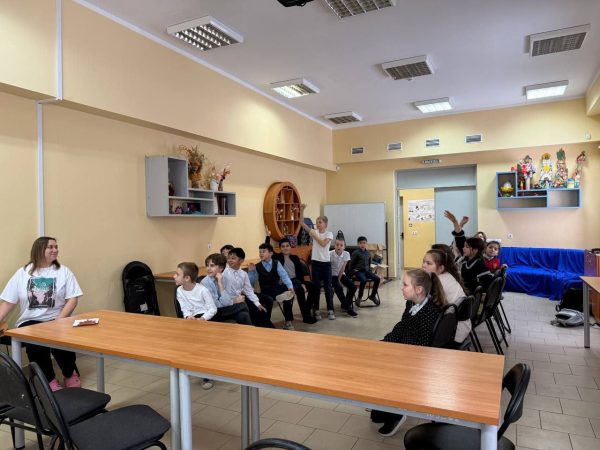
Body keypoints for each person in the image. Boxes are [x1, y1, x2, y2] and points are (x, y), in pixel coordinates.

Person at [0, 237, 82, 391]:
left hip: (57, 318)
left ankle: (70, 374)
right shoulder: (22, 273)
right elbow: (8, 302)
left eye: (56, 247)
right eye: (50, 247)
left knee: (61, 340)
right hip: (30, 320)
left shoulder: (64, 272)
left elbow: (73, 299)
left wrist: (59, 320)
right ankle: (49, 380)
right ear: (39, 249)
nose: (55, 250)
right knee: (35, 344)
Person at [371, 269, 446, 437]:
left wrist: (395, 354)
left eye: (405, 285)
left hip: (417, 358)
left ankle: (396, 413)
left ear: (418, 289)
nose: (401, 288)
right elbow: (402, 326)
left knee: (383, 367)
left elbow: (420, 347)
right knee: (376, 356)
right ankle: (382, 407)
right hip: (406, 349)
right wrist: (386, 341)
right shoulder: (412, 304)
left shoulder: (430, 312)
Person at [174, 261, 216, 390]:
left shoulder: (203, 290)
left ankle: (207, 376)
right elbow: (184, 308)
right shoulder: (179, 290)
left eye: (177, 274)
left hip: (204, 318)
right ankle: (186, 369)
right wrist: (188, 316)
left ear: (187, 278)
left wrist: (202, 319)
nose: (174, 276)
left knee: (202, 348)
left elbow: (212, 309)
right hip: (191, 320)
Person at [422, 249, 470, 343]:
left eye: (428, 263)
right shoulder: (447, 275)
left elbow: (427, 309)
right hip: (459, 328)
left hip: (451, 333)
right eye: (423, 262)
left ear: (441, 268)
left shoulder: (438, 283)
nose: (423, 265)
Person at [299, 204, 334, 320]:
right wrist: (302, 210)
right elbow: (302, 223)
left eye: (320, 222)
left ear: (325, 224)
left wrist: (314, 235)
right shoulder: (314, 232)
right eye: (317, 222)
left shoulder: (329, 234)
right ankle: (317, 310)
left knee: (328, 288)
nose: (318, 224)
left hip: (326, 264)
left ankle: (330, 310)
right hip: (316, 264)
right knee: (316, 288)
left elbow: (323, 243)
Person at [249, 243, 296, 330]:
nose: (261, 254)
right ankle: (267, 322)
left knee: (287, 296)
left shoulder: (276, 263)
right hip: (266, 291)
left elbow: (284, 276)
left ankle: (288, 322)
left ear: (271, 253)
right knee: (269, 298)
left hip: (276, 287)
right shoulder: (257, 266)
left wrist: (290, 286)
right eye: (260, 252)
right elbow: (251, 281)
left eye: (263, 251)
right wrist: (251, 272)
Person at [224, 247, 274, 328]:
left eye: (233, 258)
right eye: (228, 258)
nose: (229, 260)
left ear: (241, 261)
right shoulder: (224, 273)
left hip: (241, 300)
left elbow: (249, 290)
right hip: (230, 303)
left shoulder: (243, 274)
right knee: (255, 313)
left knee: (261, 310)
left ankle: (269, 331)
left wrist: (257, 303)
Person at [272, 237, 317, 324]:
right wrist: (268, 236)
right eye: (283, 246)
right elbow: (268, 248)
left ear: (290, 247)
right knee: (300, 291)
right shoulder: (277, 257)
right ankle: (305, 316)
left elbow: (300, 273)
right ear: (280, 248)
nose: (285, 248)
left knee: (313, 287)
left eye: (287, 246)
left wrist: (302, 283)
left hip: (296, 280)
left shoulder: (295, 258)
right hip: (285, 283)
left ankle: (306, 310)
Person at [200, 253, 252, 325]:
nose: (208, 268)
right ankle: (254, 329)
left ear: (221, 268)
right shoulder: (205, 283)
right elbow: (216, 305)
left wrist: (221, 284)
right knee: (243, 305)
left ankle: (250, 331)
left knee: (243, 315)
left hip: (225, 310)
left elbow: (227, 301)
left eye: (212, 266)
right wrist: (233, 301)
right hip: (212, 312)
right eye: (207, 265)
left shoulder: (225, 279)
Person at [329, 238, 358, 317]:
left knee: (353, 287)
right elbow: (328, 268)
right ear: (334, 246)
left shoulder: (346, 254)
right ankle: (348, 309)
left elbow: (343, 268)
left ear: (344, 247)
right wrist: (336, 282)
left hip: (341, 274)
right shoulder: (330, 254)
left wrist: (339, 279)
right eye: (337, 245)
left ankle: (345, 304)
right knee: (339, 288)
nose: (339, 246)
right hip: (331, 275)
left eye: (341, 245)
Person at [349, 236, 380, 304]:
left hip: (367, 271)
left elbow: (369, 263)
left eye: (364, 243)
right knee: (364, 280)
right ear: (358, 244)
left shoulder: (368, 253)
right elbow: (351, 264)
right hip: (358, 271)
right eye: (360, 243)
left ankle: (372, 296)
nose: (362, 244)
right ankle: (359, 297)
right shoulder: (356, 252)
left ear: (366, 244)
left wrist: (370, 271)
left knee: (377, 279)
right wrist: (352, 272)